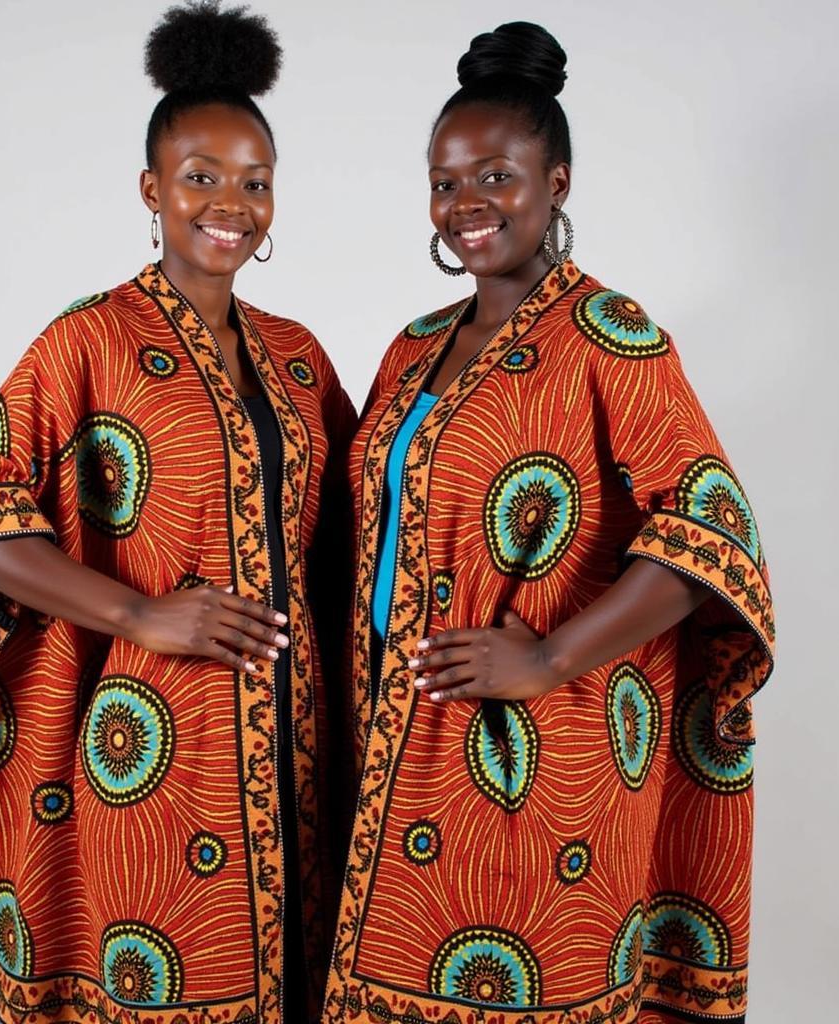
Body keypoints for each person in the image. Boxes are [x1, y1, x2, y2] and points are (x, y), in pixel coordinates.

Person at [0, 3, 355, 1021]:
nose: (229, 202)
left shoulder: (297, 355)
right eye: (201, 175)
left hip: (303, 747)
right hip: (154, 748)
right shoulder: (89, 341)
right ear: (152, 189)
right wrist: (141, 614)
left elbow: (360, 535)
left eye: (254, 180)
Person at [324, 21, 773, 1024]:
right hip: (399, 735)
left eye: (495, 176)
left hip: (536, 745)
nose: (465, 206)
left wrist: (548, 657)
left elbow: (708, 528)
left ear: (556, 183)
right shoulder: (412, 348)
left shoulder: (611, 337)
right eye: (444, 183)